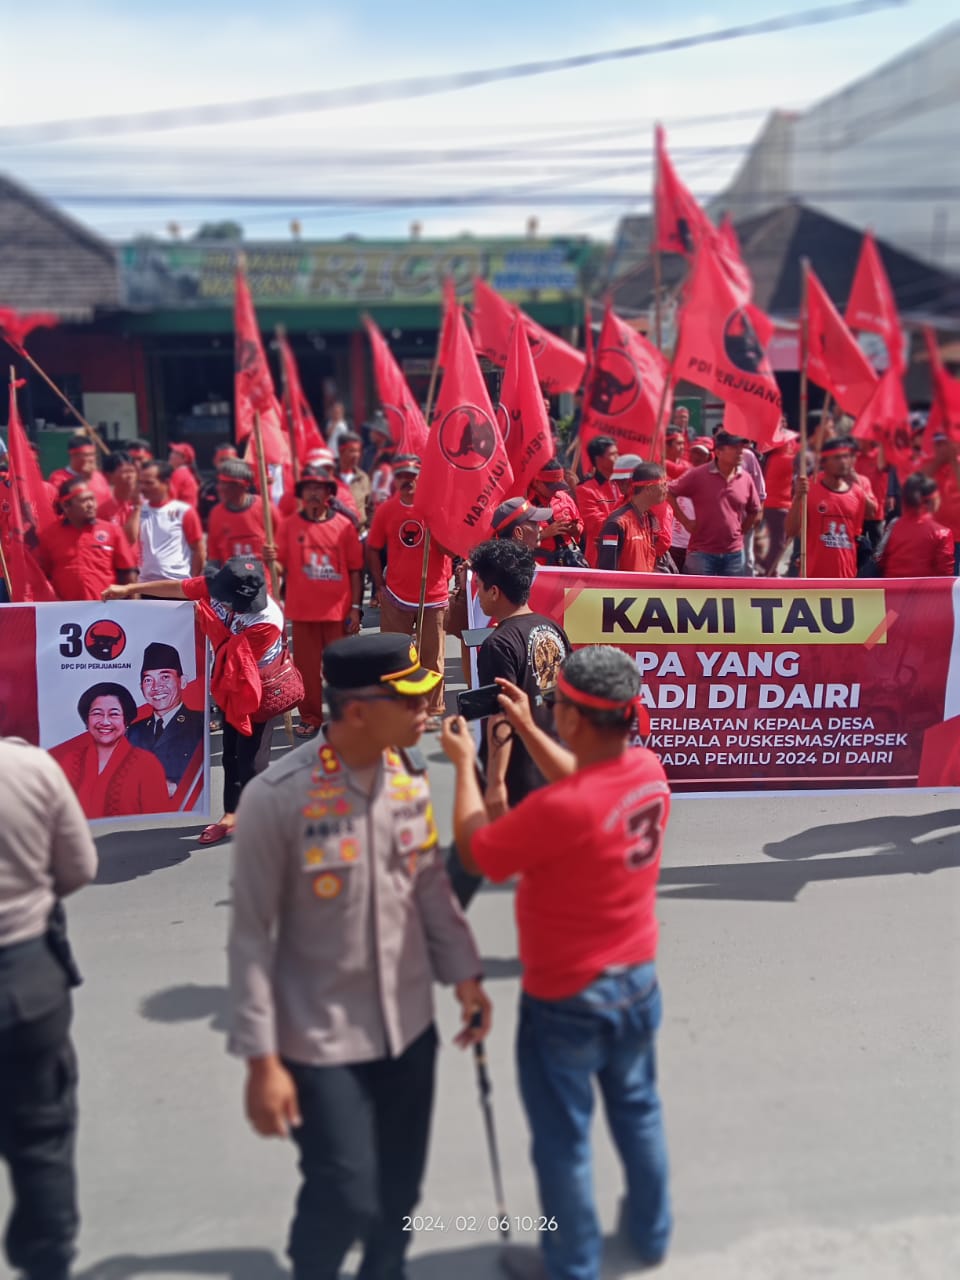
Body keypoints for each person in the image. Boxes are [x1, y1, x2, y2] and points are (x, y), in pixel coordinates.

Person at [227, 632, 491, 1280]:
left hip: (409, 1029)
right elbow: (252, 934)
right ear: (356, 710)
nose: (427, 710)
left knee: (399, 1198)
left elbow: (429, 884)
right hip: (321, 1039)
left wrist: (464, 977)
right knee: (346, 1194)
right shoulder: (276, 797)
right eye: (410, 700)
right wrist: (262, 1062)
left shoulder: (408, 777)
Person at [441, 646, 672, 1280]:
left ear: (572, 718)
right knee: (639, 1110)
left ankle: (572, 1266)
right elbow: (586, 779)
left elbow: (479, 850)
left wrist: (470, 767)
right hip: (637, 981)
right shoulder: (647, 770)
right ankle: (652, 1235)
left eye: (556, 705)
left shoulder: (556, 811)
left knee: (564, 1140)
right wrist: (535, 731)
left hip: (567, 997)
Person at [0, 737, 98, 1280]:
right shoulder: (29, 767)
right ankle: (47, 1263)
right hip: (26, 984)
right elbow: (78, 867)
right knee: (41, 1142)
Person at [104, 558, 285, 845]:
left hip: (255, 687)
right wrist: (128, 588)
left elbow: (232, 656)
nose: (225, 606)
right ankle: (232, 813)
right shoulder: (215, 586)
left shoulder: (267, 622)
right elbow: (178, 588)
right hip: (228, 685)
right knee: (229, 753)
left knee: (251, 756)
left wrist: (208, 621)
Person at [449, 540, 571, 908]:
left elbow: (499, 716)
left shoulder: (499, 644)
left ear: (494, 590)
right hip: (553, 760)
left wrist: (496, 783)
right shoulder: (552, 629)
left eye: (480, 587)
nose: (479, 596)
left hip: (521, 772)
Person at [272, 464, 364, 739]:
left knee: (342, 670)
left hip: (339, 612)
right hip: (303, 614)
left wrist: (356, 608)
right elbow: (280, 567)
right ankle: (310, 716)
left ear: (328, 493)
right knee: (307, 673)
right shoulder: (289, 526)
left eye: (319, 488)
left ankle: (343, 716)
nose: (313, 493)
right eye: (308, 488)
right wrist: (270, 558)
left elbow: (355, 570)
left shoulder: (344, 526)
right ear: (302, 493)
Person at [366, 456, 451, 729]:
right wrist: (379, 584)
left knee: (432, 658)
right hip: (396, 596)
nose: (408, 481)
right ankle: (397, 707)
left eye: (413, 475)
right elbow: (372, 547)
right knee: (394, 656)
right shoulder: (386, 510)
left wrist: (438, 532)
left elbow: (453, 549)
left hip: (433, 595)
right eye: (402, 475)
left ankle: (432, 709)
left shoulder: (438, 509)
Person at [50, 683, 171, 820]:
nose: (105, 722)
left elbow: (158, 824)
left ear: (126, 721)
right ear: (86, 720)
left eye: (114, 714)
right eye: (97, 714)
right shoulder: (71, 761)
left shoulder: (147, 764)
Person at [668, 429, 762, 576]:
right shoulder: (698, 475)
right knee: (698, 597)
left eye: (741, 448)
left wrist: (741, 531)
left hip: (734, 555)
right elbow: (670, 492)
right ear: (718, 452)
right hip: (701, 554)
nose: (739, 452)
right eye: (734, 448)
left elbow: (754, 509)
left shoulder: (745, 478)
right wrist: (686, 522)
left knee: (732, 597)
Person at [785, 436, 878, 578]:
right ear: (824, 462)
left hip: (846, 578)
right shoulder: (809, 487)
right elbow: (791, 530)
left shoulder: (857, 493)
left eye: (846, 457)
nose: (844, 462)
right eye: (837, 458)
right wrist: (798, 498)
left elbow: (856, 532)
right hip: (813, 578)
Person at [38, 478, 138, 601]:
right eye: (84, 500)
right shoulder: (49, 535)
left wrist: (134, 608)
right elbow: (42, 576)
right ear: (65, 505)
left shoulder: (112, 531)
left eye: (92, 499)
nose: (91, 504)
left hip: (107, 609)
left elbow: (128, 573)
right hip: (65, 611)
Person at [127, 642, 205, 797]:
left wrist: (176, 788)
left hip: (183, 812)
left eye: (165, 677)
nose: (156, 686)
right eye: (148, 680)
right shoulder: (133, 732)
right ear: (141, 687)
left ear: (182, 681)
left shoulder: (200, 723)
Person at [138, 460, 206, 583]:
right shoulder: (138, 510)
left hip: (176, 584)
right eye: (141, 483)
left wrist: (191, 581)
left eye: (149, 483)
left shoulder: (183, 511)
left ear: (166, 483)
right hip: (146, 584)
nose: (143, 487)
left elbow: (198, 550)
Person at [876, 472, 954, 577]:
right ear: (931, 501)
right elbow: (945, 575)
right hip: (926, 591)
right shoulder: (942, 533)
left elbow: (881, 561)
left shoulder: (893, 526)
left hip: (892, 590)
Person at [206, 458, 280, 567]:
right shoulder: (216, 514)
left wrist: (275, 558)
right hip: (231, 582)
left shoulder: (266, 508)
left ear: (240, 486)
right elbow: (214, 557)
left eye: (224, 483)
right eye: (219, 483)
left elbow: (283, 546)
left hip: (263, 581)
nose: (219, 488)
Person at [597, 462, 670, 573]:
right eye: (664, 484)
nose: (667, 490)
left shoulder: (649, 519)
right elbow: (607, 570)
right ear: (649, 489)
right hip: (622, 589)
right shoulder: (617, 523)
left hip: (642, 589)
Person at [758, 428, 799, 576]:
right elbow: (802, 457)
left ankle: (767, 566)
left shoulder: (773, 458)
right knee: (778, 542)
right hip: (779, 505)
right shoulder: (784, 459)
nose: (792, 445)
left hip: (773, 504)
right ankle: (770, 571)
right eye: (790, 443)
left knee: (775, 540)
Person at [574, 436, 620, 567]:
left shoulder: (624, 484)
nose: (618, 458)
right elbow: (597, 524)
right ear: (599, 459)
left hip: (625, 555)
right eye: (613, 454)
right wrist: (628, 523)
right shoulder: (586, 490)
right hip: (600, 557)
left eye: (618, 454)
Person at [530, 458, 584, 564]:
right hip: (541, 566)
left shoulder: (564, 498)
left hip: (569, 560)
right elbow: (516, 541)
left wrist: (576, 529)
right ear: (537, 482)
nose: (555, 489)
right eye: (551, 486)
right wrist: (544, 534)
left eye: (558, 485)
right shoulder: (525, 505)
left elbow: (580, 522)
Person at [921, 433, 960, 574]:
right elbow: (917, 485)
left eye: (945, 444)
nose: (942, 448)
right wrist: (938, 462)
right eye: (938, 444)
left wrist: (954, 461)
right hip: (934, 537)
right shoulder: (928, 464)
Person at [48, 434, 111, 507]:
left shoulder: (98, 476)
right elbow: (59, 506)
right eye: (87, 455)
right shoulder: (58, 478)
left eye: (93, 455)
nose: (91, 459)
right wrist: (84, 479)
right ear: (73, 456)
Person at [98, 451, 142, 555]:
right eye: (125, 472)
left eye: (132, 471)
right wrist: (137, 508)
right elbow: (127, 539)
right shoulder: (102, 510)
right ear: (108, 476)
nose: (130, 476)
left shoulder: (149, 503)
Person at [336, 432, 372, 533]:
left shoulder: (363, 478)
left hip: (359, 534)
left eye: (358, 451)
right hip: (335, 532)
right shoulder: (330, 477)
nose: (356, 455)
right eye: (352, 451)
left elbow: (370, 507)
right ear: (341, 451)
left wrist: (369, 530)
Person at [199, 444, 239, 525]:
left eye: (229, 460)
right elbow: (201, 518)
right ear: (214, 461)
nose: (226, 464)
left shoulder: (246, 486)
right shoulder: (206, 489)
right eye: (222, 460)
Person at [168, 442, 201, 509]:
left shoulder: (180, 473)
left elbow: (171, 497)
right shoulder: (187, 472)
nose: (170, 455)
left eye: (175, 453)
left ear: (184, 459)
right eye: (172, 452)